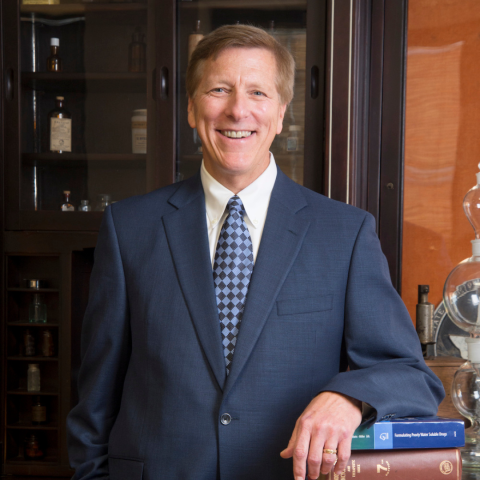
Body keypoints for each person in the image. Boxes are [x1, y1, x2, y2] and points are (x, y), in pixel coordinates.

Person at [67, 25, 444, 480]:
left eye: (258, 92)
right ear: (191, 107)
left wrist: (350, 398)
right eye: (219, 89)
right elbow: (95, 399)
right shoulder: (129, 227)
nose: (238, 110)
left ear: (281, 113)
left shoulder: (344, 233)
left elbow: (411, 374)